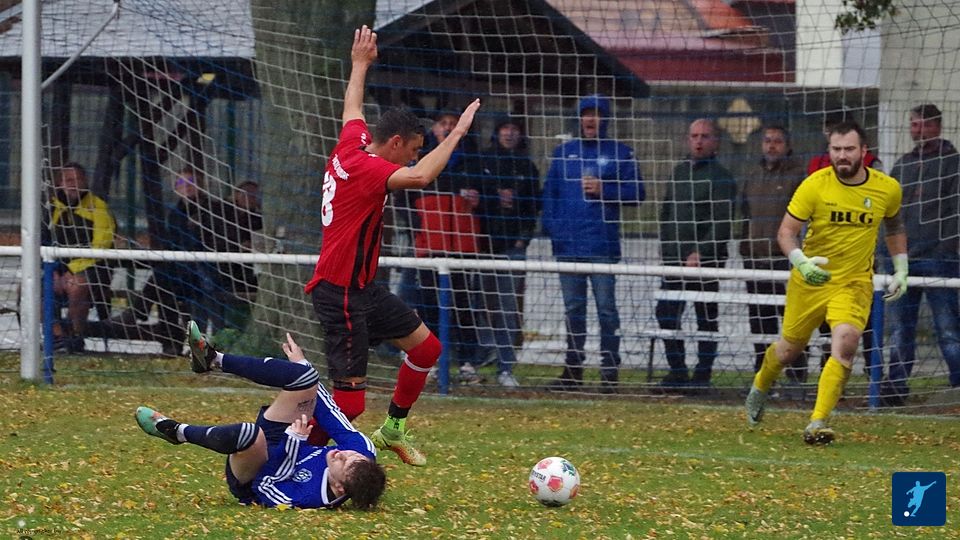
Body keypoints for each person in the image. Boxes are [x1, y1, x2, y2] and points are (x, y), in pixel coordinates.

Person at [302, 25, 480, 466]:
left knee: (427, 349)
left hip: (361, 288)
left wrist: (360, 63)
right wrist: (456, 134)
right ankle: (292, 451)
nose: (415, 157)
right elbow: (421, 176)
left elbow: (352, 106)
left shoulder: (353, 144)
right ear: (396, 143)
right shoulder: (368, 170)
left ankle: (393, 428)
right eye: (414, 149)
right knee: (350, 404)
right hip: (340, 293)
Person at [745, 121, 908, 444]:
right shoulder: (814, 185)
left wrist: (901, 267)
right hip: (810, 281)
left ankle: (817, 422)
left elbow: (894, 225)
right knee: (788, 350)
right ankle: (761, 384)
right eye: (836, 149)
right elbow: (786, 233)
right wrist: (801, 262)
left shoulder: (887, 188)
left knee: (846, 342)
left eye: (849, 149)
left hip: (854, 282)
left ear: (864, 151)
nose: (842, 156)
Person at [136, 324, 386, 509]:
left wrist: (293, 442)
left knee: (250, 434)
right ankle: (213, 359)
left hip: (254, 474)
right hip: (285, 440)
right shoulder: (362, 451)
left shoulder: (309, 498)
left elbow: (264, 485)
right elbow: (331, 413)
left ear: (339, 488)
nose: (342, 454)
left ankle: (176, 432)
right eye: (351, 456)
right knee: (305, 377)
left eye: (343, 463)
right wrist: (303, 366)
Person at [541, 94, 645, 392]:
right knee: (573, 310)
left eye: (596, 113)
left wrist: (605, 189)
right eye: (586, 113)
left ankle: (609, 371)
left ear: (605, 118)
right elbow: (549, 197)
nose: (590, 119)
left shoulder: (620, 152)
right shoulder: (563, 153)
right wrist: (556, 232)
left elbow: (638, 193)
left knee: (606, 310)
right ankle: (573, 370)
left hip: (602, 247)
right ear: (578, 118)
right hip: (568, 249)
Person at [882, 104, 960, 405]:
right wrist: (890, 252)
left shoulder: (953, 162)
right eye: (914, 124)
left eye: (925, 124)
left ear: (938, 126)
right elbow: (889, 210)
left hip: (939, 260)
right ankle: (895, 388)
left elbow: (955, 213)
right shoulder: (903, 164)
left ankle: (957, 386)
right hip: (903, 259)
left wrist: (945, 249)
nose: (919, 130)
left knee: (948, 327)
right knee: (901, 328)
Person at [656, 119, 737, 388]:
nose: (699, 141)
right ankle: (677, 370)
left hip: (705, 263)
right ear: (687, 139)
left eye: (704, 136)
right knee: (666, 313)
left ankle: (702, 375)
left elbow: (722, 221)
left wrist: (701, 252)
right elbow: (667, 213)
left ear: (716, 142)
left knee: (706, 318)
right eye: (694, 136)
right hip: (674, 261)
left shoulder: (721, 177)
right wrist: (666, 248)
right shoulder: (679, 172)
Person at [410, 110, 486, 385]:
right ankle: (429, 362)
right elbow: (408, 201)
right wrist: (417, 231)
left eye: (454, 124)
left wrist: (477, 199)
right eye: (444, 124)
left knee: (464, 304)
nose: (449, 128)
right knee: (429, 305)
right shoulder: (422, 159)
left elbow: (486, 200)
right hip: (430, 244)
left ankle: (467, 362)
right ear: (434, 129)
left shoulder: (473, 161)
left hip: (463, 246)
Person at [475, 116, 541, 387]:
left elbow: (534, 206)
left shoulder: (527, 167)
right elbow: (475, 199)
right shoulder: (482, 161)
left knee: (507, 307)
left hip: (512, 248)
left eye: (515, 129)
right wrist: (492, 199)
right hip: (482, 247)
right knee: (477, 304)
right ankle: (478, 358)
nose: (510, 133)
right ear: (497, 132)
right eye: (505, 128)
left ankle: (505, 366)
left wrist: (523, 239)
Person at [739, 126, 806, 379]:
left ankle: (797, 374)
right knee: (759, 319)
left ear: (787, 145)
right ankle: (762, 374)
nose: (771, 145)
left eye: (777, 141)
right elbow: (745, 212)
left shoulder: (798, 175)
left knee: (791, 319)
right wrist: (745, 247)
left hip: (785, 261)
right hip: (755, 259)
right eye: (767, 141)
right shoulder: (753, 174)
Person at [48, 162, 116, 353]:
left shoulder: (98, 207)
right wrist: (53, 271)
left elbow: (101, 246)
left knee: (77, 285)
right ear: (60, 183)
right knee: (31, 287)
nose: (73, 184)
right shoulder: (51, 208)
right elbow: (42, 241)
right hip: (57, 269)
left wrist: (72, 270)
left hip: (93, 269)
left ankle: (75, 335)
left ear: (85, 182)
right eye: (68, 180)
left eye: (78, 179)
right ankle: (58, 335)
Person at [217, 180, 264, 331]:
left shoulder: (259, 219)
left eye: (254, 195)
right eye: (246, 194)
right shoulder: (223, 216)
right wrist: (238, 246)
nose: (250, 198)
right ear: (236, 195)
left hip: (251, 270)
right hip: (228, 269)